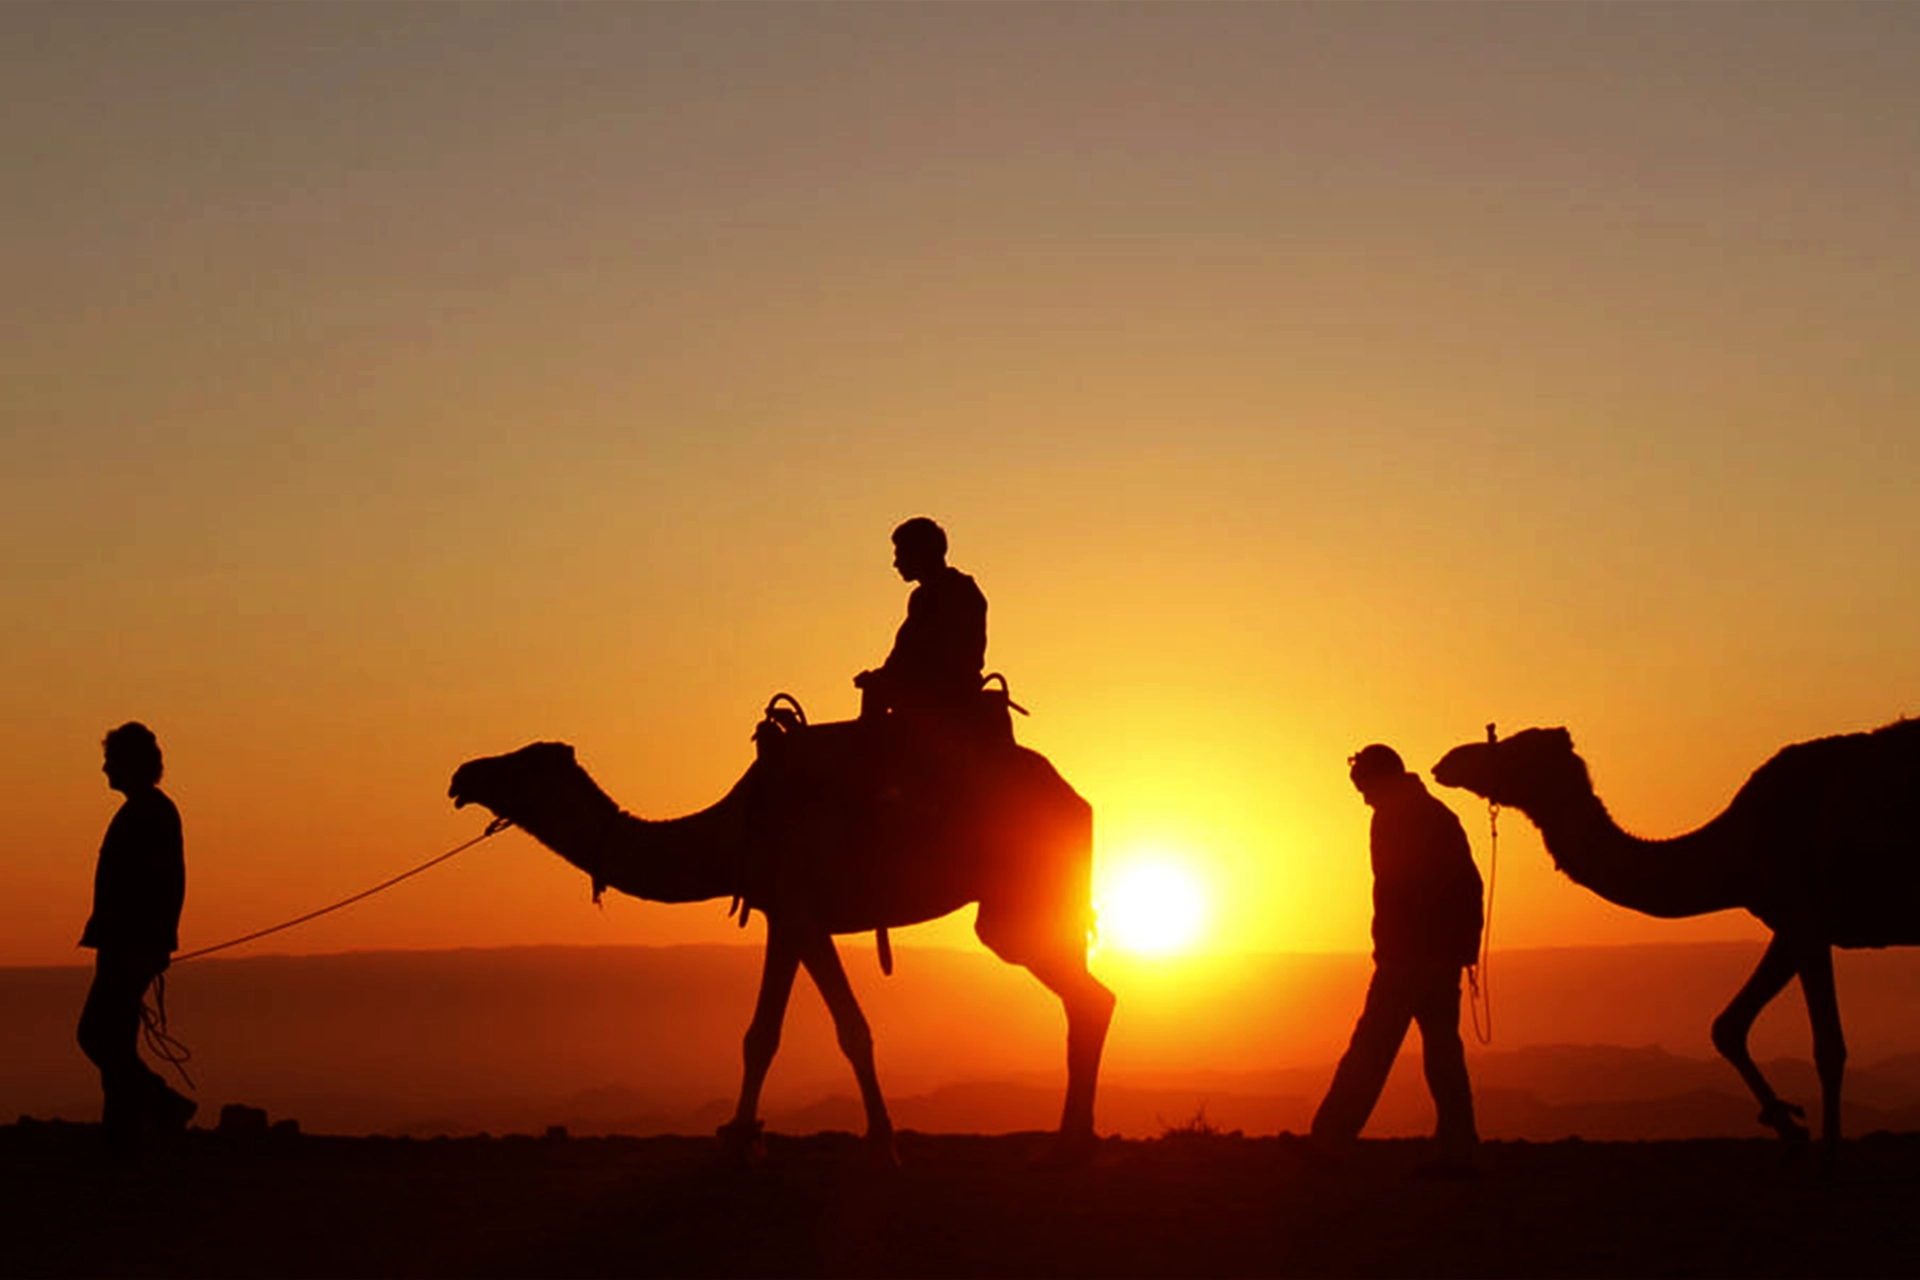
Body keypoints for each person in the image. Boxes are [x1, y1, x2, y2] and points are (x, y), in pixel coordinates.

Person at [1309, 743, 1483, 1177]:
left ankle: (1331, 1140)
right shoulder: (1437, 815)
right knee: (1442, 1049)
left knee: (1371, 1047)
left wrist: (1389, 947)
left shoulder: (1394, 818)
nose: (1363, 796)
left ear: (1377, 780)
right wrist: (1463, 948)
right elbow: (1469, 883)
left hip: (1408, 956)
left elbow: (1394, 889)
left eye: (1364, 787)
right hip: (1439, 955)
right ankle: (1459, 1144)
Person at [77, 721, 195, 1152]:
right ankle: (122, 1137)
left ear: (129, 764)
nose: (105, 768)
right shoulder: (145, 810)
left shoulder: (150, 813)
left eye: (111, 759)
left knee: (95, 1035)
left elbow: (166, 885)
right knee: (116, 1039)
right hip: (123, 943)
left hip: (130, 946)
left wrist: (153, 945)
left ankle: (163, 1106)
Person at [853, 517, 987, 731]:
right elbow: (906, 655)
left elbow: (922, 655)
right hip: (940, 689)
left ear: (921, 553)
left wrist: (879, 679)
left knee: (874, 698)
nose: (896, 563)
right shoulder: (930, 594)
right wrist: (882, 676)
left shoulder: (945, 594)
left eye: (900, 553)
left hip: (944, 695)